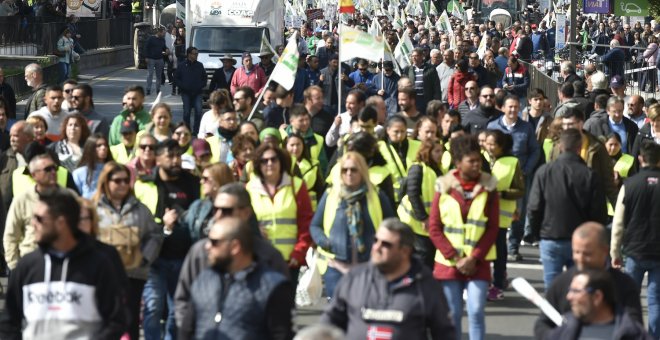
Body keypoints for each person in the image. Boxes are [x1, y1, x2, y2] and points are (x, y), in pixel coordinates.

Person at [0, 190, 129, 339]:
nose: (33, 223)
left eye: (39, 219)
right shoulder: (27, 265)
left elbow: (116, 320)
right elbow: (8, 322)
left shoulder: (99, 264)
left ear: (61, 222)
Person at [174, 183, 290, 335]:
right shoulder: (200, 253)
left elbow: (281, 321)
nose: (218, 215)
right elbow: (183, 300)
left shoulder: (269, 256)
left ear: (246, 213)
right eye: (216, 209)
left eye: (226, 210)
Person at [321, 218, 455, 338]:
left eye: (386, 244)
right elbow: (328, 324)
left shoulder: (425, 285)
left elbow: (444, 333)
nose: (377, 247)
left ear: (405, 251)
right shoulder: (355, 278)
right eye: (375, 240)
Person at [429, 134, 499, 340]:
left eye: (479, 160)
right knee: (454, 314)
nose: (477, 165)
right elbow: (434, 227)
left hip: (479, 261)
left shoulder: (490, 186)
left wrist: (474, 257)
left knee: (476, 310)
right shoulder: (443, 186)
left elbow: (493, 228)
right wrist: (455, 258)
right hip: (449, 263)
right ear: (458, 163)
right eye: (472, 161)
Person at [133, 139, 199, 340]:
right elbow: (140, 222)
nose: (175, 160)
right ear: (158, 159)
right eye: (170, 156)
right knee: (153, 308)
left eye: (178, 155)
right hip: (154, 258)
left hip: (183, 258)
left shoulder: (192, 182)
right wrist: (164, 224)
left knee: (176, 312)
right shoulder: (145, 184)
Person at [528, 129, 608, 289]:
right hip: (580, 240)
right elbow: (599, 212)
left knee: (552, 289)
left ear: (560, 147)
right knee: (580, 287)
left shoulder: (544, 172)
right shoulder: (589, 175)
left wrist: (537, 233)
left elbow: (534, 207)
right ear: (580, 148)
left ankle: (555, 313)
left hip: (550, 236)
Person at [534, 222, 643, 339]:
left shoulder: (624, 285)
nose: (580, 259)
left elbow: (635, 327)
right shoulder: (561, 283)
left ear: (604, 251)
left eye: (587, 254)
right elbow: (543, 323)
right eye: (576, 252)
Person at [93, 162, 162, 340]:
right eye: (118, 181)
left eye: (126, 181)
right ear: (106, 183)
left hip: (133, 276)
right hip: (102, 277)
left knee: (129, 324)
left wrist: (145, 258)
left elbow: (155, 235)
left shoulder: (141, 210)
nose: (123, 185)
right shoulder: (93, 209)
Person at [311, 152, 394, 296]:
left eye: (354, 169)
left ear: (362, 171)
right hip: (336, 265)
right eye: (345, 170)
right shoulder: (331, 195)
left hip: (370, 265)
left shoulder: (376, 195)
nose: (349, 173)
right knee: (339, 313)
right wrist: (324, 241)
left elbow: (392, 225)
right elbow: (315, 225)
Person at [611, 141, 660, 339]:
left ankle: (629, 335)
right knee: (656, 300)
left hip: (634, 249)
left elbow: (618, 222)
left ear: (640, 159)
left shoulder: (629, 185)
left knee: (630, 299)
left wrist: (615, 252)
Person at [246, 143, 313, 279]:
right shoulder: (249, 189)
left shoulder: (297, 185)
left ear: (281, 162)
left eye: (274, 159)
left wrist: (298, 253)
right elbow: (241, 222)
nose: (269, 163)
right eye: (264, 161)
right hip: (260, 261)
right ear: (258, 164)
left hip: (289, 262)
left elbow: (306, 223)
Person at [4, 151, 77, 270]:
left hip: (63, 265)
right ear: (34, 175)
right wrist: (15, 267)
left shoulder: (70, 198)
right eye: (48, 169)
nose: (53, 172)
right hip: (30, 264)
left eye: (55, 168)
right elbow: (11, 236)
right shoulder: (22, 200)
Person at [546, 269, 650, 340]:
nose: (569, 296)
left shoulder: (633, 334)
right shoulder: (561, 333)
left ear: (597, 297)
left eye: (576, 291)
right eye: (570, 290)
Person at [483, 130, 525, 300]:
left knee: (499, 251)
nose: (489, 147)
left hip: (500, 216)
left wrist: (501, 194)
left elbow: (520, 190)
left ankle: (498, 284)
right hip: (480, 215)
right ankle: (484, 280)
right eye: (487, 143)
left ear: (501, 146)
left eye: (493, 144)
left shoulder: (512, 162)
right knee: (483, 251)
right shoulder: (480, 158)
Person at [397, 140, 443, 269]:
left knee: (427, 255)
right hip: (414, 220)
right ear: (427, 152)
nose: (440, 154)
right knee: (423, 254)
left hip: (428, 220)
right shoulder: (417, 168)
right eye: (437, 151)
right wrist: (423, 217)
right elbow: (413, 193)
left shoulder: (436, 169)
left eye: (441, 151)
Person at [284, 133, 324, 209]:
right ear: (285, 146)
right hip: (289, 208)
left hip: (311, 209)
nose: (295, 148)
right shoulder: (281, 165)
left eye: (298, 144)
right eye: (292, 145)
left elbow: (320, 190)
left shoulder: (314, 164)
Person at [176, 47, 207, 134]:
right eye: (195, 53)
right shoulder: (182, 65)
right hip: (186, 92)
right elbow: (176, 78)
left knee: (198, 111)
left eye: (197, 54)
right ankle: (187, 130)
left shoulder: (199, 65)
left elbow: (204, 78)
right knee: (186, 112)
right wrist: (182, 86)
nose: (196, 55)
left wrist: (201, 85)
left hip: (197, 92)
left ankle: (196, 130)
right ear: (189, 54)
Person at [72, 133, 112, 199]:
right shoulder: (79, 173)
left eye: (105, 145)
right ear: (90, 148)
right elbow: (76, 197)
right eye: (99, 146)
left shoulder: (112, 170)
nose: (103, 148)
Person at [144, 27, 168, 96]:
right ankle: (148, 89)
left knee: (159, 76)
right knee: (150, 74)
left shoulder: (162, 39)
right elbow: (146, 47)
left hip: (160, 59)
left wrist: (166, 49)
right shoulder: (151, 39)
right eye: (163, 33)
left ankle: (158, 89)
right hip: (151, 59)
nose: (164, 34)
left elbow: (164, 47)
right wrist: (146, 57)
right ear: (159, 32)